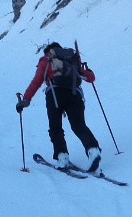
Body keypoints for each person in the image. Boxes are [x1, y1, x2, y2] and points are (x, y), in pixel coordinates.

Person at [15, 42, 102, 170]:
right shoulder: (71, 59)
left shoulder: (46, 60)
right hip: (74, 94)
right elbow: (90, 78)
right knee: (78, 125)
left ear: (48, 51)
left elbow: (37, 80)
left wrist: (25, 100)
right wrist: (87, 71)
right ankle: (93, 149)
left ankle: (62, 157)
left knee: (55, 127)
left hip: (54, 95)